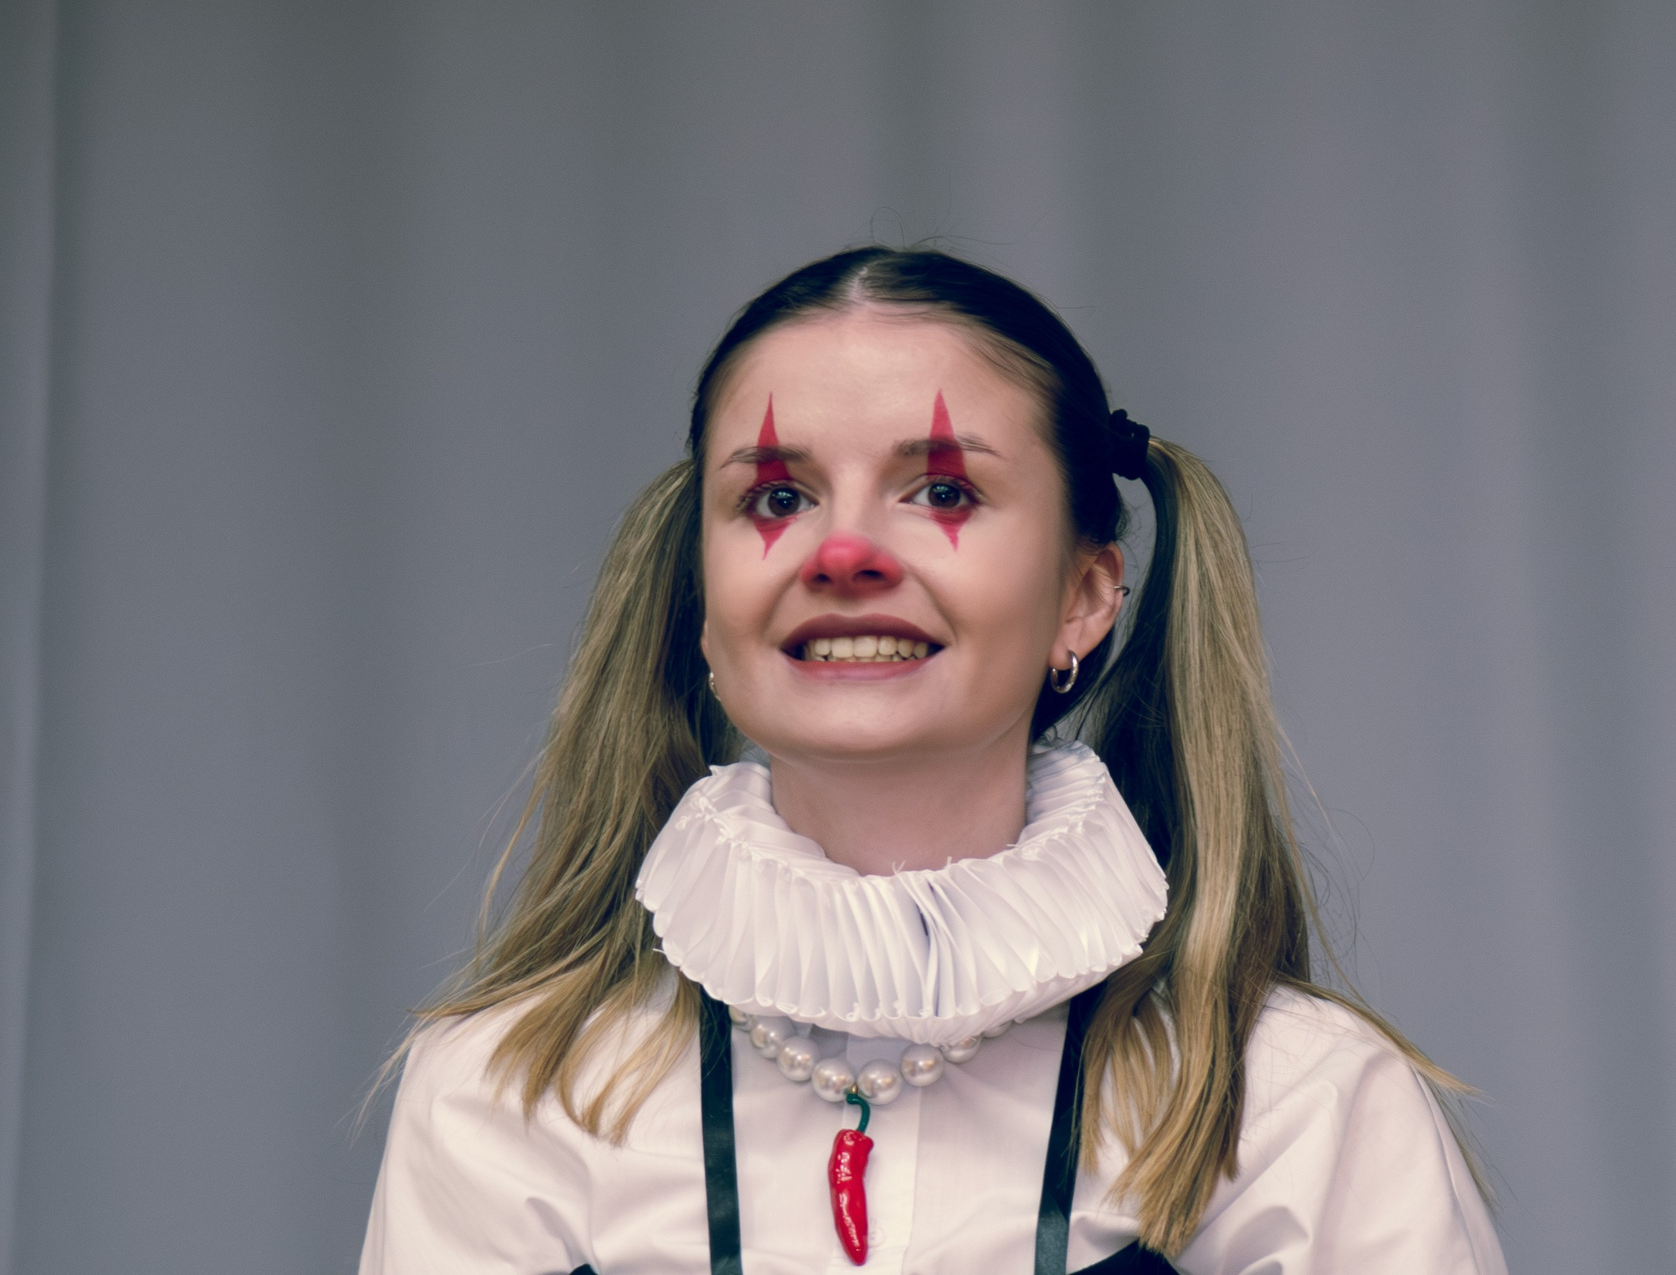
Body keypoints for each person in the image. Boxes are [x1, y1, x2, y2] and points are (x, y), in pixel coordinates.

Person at [358, 248, 1506, 1275]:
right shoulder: (502, 1096)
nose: (844, 552)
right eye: (777, 496)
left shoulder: (1302, 1103)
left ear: (1084, 594)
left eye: (943, 490)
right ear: (706, 602)